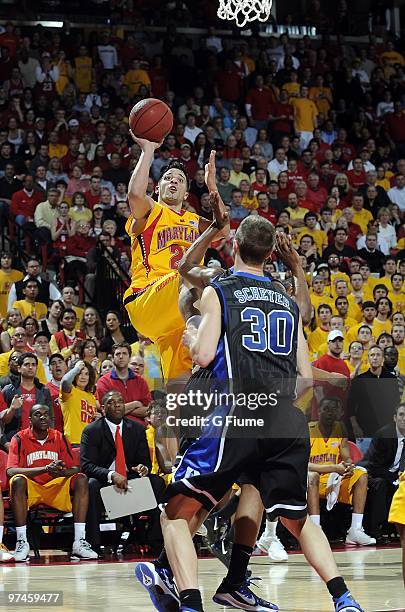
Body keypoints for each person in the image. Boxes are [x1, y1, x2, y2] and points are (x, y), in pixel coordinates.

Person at [137, 215, 363, 612]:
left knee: (208, 497)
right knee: (227, 498)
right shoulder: (257, 293)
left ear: (234, 245)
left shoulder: (220, 288)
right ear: (270, 252)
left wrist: (214, 230)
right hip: (239, 404)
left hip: (232, 404)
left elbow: (204, 348)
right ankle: (341, 597)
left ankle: (212, 583)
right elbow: (304, 372)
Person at [123, 136, 224, 383]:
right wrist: (147, 149)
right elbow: (135, 194)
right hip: (147, 297)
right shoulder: (151, 211)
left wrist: (212, 186)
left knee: (181, 384)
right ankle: (202, 334)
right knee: (191, 275)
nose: (173, 182)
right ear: (157, 187)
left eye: (179, 180)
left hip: (177, 313)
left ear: (186, 192)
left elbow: (222, 230)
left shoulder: (192, 220)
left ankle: (180, 420)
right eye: (168, 178)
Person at [6, 403, 97, 561]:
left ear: (51, 419)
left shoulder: (59, 437)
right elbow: (11, 471)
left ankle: (79, 541)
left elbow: (75, 468)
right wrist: (44, 469)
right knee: (17, 481)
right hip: (32, 489)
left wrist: (61, 472)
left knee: (81, 479)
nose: (42, 417)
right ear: (30, 419)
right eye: (37, 414)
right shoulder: (19, 438)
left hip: (55, 488)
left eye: (46, 414)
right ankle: (22, 541)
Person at [80, 390, 165, 555]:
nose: (117, 404)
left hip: (130, 477)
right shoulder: (91, 430)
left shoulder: (137, 429)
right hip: (105, 479)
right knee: (90, 486)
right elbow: (87, 465)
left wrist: (143, 468)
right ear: (103, 409)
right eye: (111, 402)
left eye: (120, 401)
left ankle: (156, 541)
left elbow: (145, 461)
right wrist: (111, 475)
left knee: (157, 483)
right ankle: (93, 544)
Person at [307, 397, 375, 545]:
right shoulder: (308, 430)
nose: (330, 413)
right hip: (312, 479)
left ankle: (355, 530)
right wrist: (334, 468)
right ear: (318, 411)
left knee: (361, 473)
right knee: (312, 476)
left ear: (339, 413)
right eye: (326, 409)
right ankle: (315, 530)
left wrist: (349, 465)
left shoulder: (341, 428)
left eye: (334, 409)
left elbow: (346, 456)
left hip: (333, 477)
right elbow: (303, 464)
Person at [359, 403, 405, 540]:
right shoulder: (384, 435)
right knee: (381, 484)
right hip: (371, 472)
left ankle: (398, 527)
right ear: (395, 418)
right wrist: (394, 478)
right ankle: (375, 529)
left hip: (392, 474)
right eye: (401, 415)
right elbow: (373, 465)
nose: (404, 418)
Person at [0, 353, 52, 449]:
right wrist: (5, 442)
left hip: (38, 441)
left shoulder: (45, 391)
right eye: (27, 364)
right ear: (19, 368)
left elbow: (50, 418)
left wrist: (50, 441)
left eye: (33, 365)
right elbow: (2, 420)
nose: (31, 367)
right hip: (14, 441)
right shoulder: (8, 390)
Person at [348, 345, 401, 439]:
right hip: (364, 431)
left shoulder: (392, 379)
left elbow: (396, 404)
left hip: (387, 431)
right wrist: (355, 427)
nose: (375, 358)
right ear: (368, 358)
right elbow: (350, 407)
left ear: (383, 358)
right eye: (372, 355)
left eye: (378, 355)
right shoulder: (359, 380)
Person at [96, 342, 151, 424]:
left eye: (124, 353)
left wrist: (120, 409)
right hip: (114, 428)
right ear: (112, 358)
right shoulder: (103, 382)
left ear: (129, 357)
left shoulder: (141, 381)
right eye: (118, 354)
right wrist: (135, 404)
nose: (121, 357)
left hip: (138, 429)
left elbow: (148, 411)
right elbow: (110, 412)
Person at [60, 359, 97, 446]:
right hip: (73, 442)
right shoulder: (70, 391)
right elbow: (65, 381)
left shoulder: (92, 397)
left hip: (90, 443)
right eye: (80, 373)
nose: (83, 377)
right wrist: (76, 368)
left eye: (86, 374)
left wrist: (97, 420)